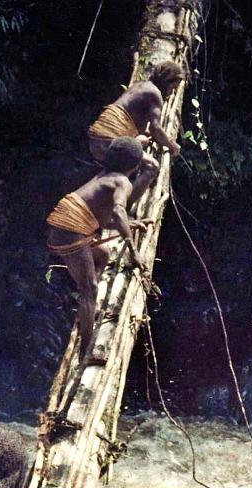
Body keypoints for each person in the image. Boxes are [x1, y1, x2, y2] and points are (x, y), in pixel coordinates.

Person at [47, 137, 158, 360]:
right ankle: (85, 350)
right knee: (90, 288)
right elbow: (117, 213)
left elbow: (99, 217)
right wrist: (133, 251)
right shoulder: (122, 183)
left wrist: (132, 224)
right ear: (135, 166)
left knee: (104, 255)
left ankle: (88, 305)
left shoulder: (103, 177)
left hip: (62, 225)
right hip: (69, 230)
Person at [88, 60, 185, 164]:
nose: (172, 92)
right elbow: (155, 129)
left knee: (142, 140)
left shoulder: (138, 86)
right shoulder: (154, 94)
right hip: (109, 144)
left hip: (94, 141)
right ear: (166, 81)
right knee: (151, 167)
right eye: (173, 88)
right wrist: (173, 146)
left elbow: (135, 121)